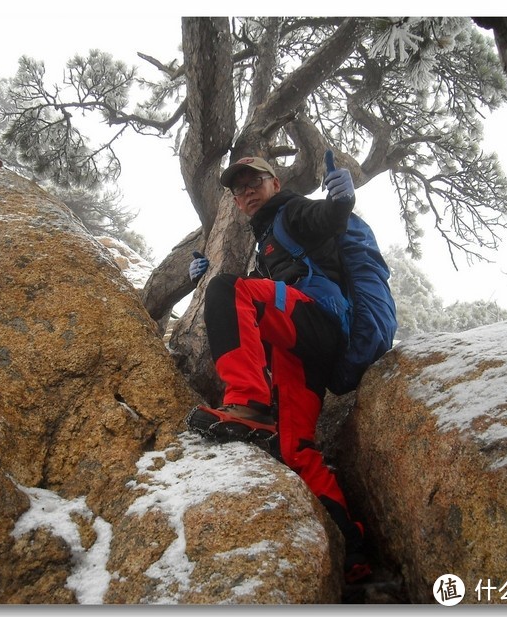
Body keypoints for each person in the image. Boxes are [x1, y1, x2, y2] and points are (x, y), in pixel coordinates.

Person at [185, 155, 371, 584]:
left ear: (276, 182)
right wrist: (204, 277)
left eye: (255, 182)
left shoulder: (293, 210)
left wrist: (342, 199)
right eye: (238, 189)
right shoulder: (267, 239)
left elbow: (326, 216)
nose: (246, 191)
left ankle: (248, 405)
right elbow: (254, 297)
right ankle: (354, 548)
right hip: (304, 348)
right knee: (296, 449)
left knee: (230, 290)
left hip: (317, 319)